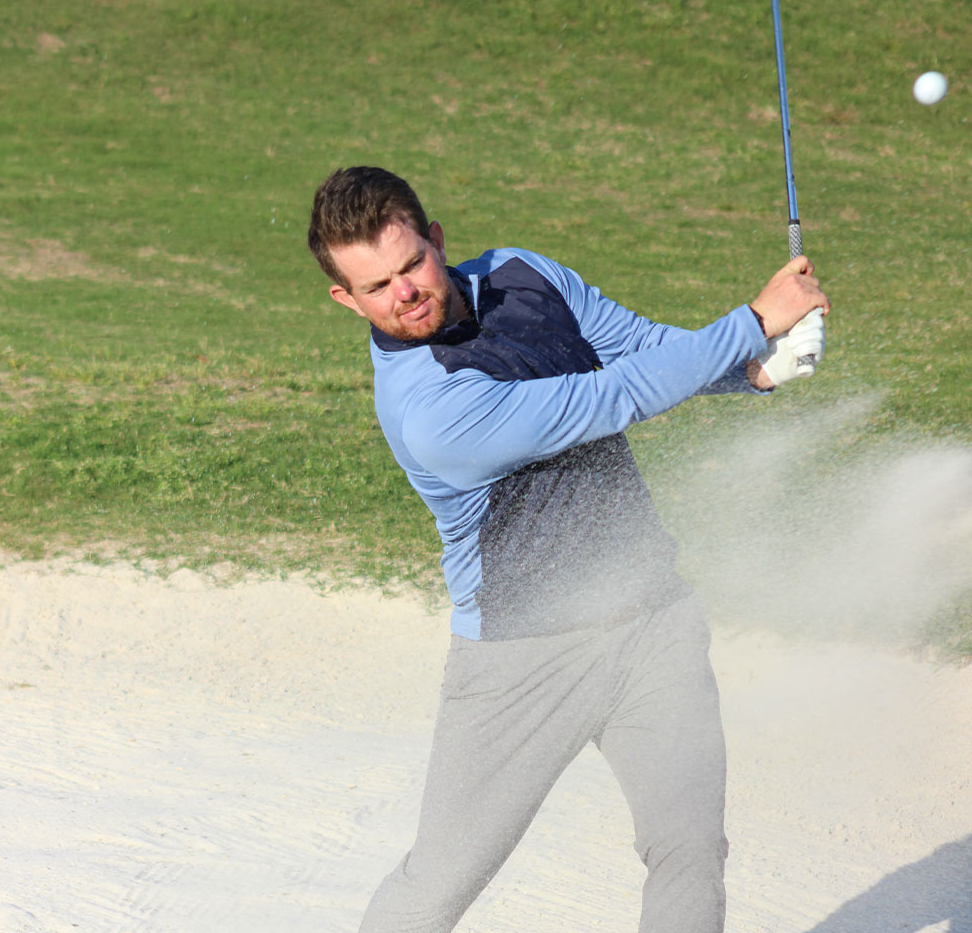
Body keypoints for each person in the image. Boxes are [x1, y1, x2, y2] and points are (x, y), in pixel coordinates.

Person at [307, 165, 830, 933]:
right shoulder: (429, 410)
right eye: (377, 286)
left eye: (411, 264)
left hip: (652, 616)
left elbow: (641, 353)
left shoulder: (523, 274)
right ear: (346, 300)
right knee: (440, 881)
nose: (405, 292)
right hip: (523, 657)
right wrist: (753, 321)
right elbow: (606, 399)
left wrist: (754, 369)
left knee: (689, 848)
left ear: (437, 240)